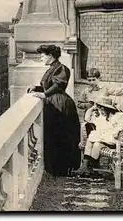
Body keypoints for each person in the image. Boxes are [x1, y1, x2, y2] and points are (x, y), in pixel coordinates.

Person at [28, 45, 81, 177]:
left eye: (42, 55)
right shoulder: (52, 68)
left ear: (50, 56)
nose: (41, 58)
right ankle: (55, 167)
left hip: (61, 104)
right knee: (53, 133)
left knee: (62, 134)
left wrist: (45, 95)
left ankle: (64, 168)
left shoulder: (61, 68)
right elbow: (48, 86)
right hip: (53, 102)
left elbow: (58, 85)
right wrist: (36, 88)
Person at [74, 96, 123, 177]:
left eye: (103, 109)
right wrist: (91, 109)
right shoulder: (102, 117)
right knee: (93, 142)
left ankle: (92, 168)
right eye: (100, 109)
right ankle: (87, 166)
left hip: (116, 140)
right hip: (104, 139)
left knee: (96, 143)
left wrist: (118, 130)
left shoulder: (118, 115)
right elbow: (87, 119)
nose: (101, 111)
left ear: (109, 109)